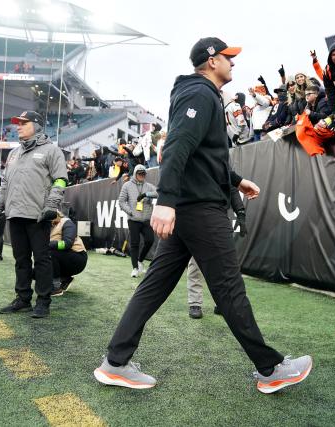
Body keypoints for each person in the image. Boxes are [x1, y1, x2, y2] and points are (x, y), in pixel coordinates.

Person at [94, 37, 312, 394]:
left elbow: (204, 155)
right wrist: (165, 200)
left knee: (154, 286)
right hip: (198, 209)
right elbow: (177, 145)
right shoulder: (198, 93)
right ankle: (270, 369)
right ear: (211, 61)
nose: (233, 62)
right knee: (228, 288)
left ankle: (115, 363)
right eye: (229, 57)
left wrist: (236, 180)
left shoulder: (203, 95)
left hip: (191, 207)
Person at [0, 111, 68, 318]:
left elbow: (60, 179)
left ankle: (43, 301)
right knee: (21, 259)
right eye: (18, 123)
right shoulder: (13, 153)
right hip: (15, 213)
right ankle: (23, 299)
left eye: (24, 123)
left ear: (37, 125)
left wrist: (52, 204)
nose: (18, 126)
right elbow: (5, 183)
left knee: (42, 259)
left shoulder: (52, 151)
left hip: (38, 215)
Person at [187, 186, 247, 319]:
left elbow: (232, 188)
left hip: (218, 221)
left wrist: (241, 212)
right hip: (195, 220)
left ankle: (221, 303)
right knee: (195, 266)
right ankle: (195, 303)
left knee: (221, 267)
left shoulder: (223, 168)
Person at [118, 164, 157, 278]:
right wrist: (130, 212)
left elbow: (159, 193)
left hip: (146, 219)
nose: (141, 175)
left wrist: (146, 194)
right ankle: (135, 268)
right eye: (139, 173)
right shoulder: (127, 185)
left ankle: (140, 260)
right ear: (135, 174)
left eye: (143, 173)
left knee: (150, 240)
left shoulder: (149, 186)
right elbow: (121, 201)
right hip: (133, 219)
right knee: (134, 243)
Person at [49, 211, 88, 296]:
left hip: (78, 258)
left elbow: (67, 244)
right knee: (35, 272)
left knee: (50, 252)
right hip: (63, 257)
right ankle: (65, 278)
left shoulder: (66, 222)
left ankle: (56, 288)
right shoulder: (47, 227)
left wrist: (47, 244)